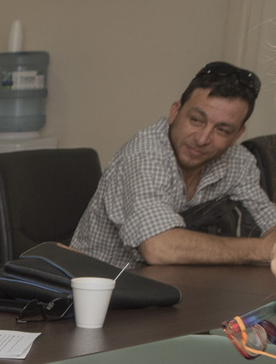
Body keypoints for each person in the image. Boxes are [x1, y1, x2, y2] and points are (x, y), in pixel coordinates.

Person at [70, 62, 276, 268]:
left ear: (237, 135)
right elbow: (159, 248)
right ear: (175, 112)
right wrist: (261, 249)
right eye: (196, 120)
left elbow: (268, 218)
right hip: (99, 287)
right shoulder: (145, 154)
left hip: (173, 285)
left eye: (222, 130)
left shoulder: (237, 160)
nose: (203, 139)